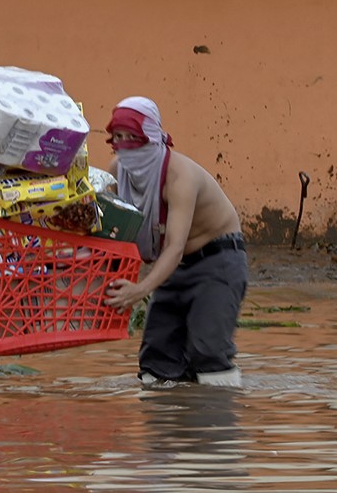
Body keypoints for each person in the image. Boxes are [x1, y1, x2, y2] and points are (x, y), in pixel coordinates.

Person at [103, 97, 248, 387]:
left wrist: (140, 290)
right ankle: (166, 427)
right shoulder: (117, 171)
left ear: (153, 137)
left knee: (208, 352)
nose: (125, 145)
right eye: (118, 137)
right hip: (174, 267)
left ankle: (219, 420)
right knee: (156, 358)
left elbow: (175, 246)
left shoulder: (180, 177)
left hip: (217, 261)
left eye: (133, 137)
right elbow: (109, 228)